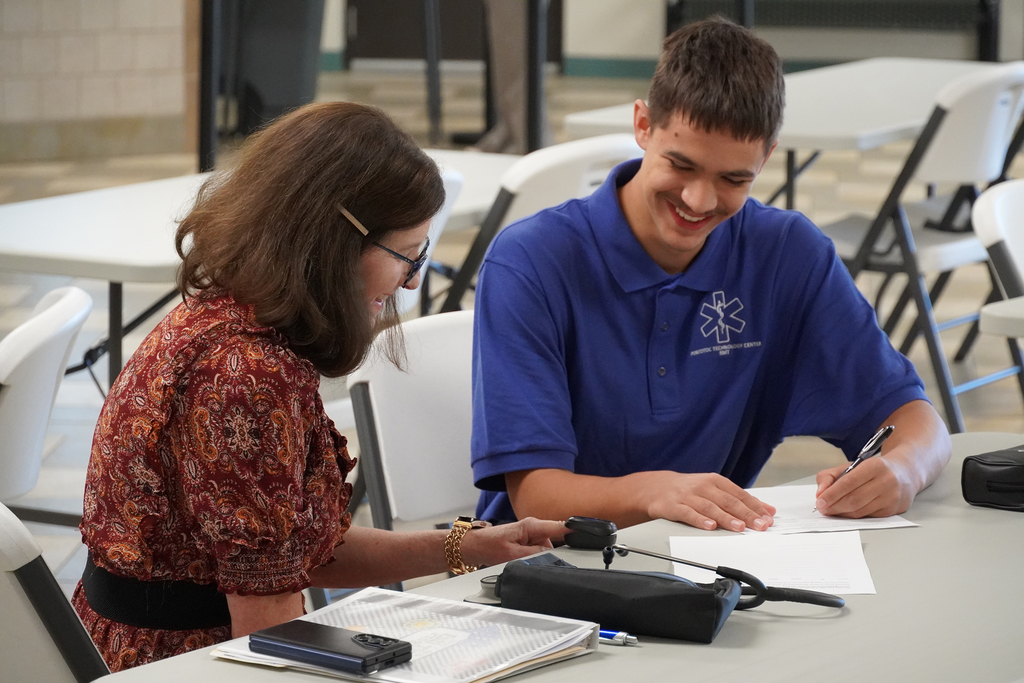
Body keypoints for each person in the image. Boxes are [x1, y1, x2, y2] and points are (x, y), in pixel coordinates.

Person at [73, 102, 565, 672]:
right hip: (182, 663)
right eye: (407, 255)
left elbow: (295, 549)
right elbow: (267, 626)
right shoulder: (246, 375)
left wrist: (469, 547)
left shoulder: (237, 320)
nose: (413, 279)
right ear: (333, 242)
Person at [470, 17, 951, 531]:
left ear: (766, 158)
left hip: (707, 565)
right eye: (680, 164)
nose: (699, 201)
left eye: (733, 179)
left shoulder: (787, 253)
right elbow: (537, 499)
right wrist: (659, 492)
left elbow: (917, 419)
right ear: (642, 126)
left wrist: (903, 469)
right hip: (550, 570)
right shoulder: (530, 263)